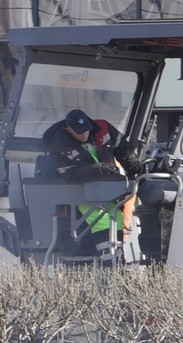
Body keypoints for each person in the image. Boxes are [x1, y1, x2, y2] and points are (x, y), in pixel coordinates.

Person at [40, 108, 133, 253]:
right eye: (79, 132)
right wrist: (95, 169)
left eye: (86, 130)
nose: (84, 134)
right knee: (103, 225)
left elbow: (123, 147)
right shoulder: (58, 146)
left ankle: (117, 263)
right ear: (68, 129)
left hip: (110, 188)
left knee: (117, 223)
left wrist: (131, 161)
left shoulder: (103, 128)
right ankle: (110, 265)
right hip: (84, 192)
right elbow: (70, 175)